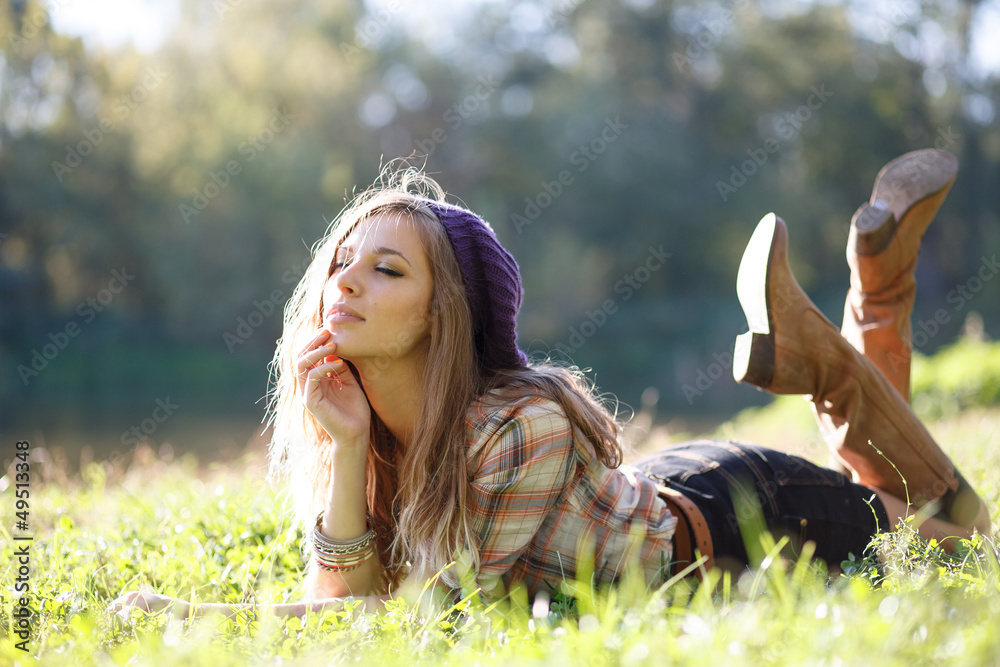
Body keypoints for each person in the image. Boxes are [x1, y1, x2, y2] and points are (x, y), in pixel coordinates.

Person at [109, 150, 991, 619]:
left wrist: (189, 611)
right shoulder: (373, 434)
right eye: (341, 262)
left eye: (385, 270)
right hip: (663, 488)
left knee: (958, 528)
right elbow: (345, 600)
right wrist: (342, 448)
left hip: (743, 515)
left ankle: (846, 327)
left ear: (443, 315)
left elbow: (410, 620)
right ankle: (869, 291)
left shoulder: (520, 425)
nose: (345, 281)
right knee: (899, 484)